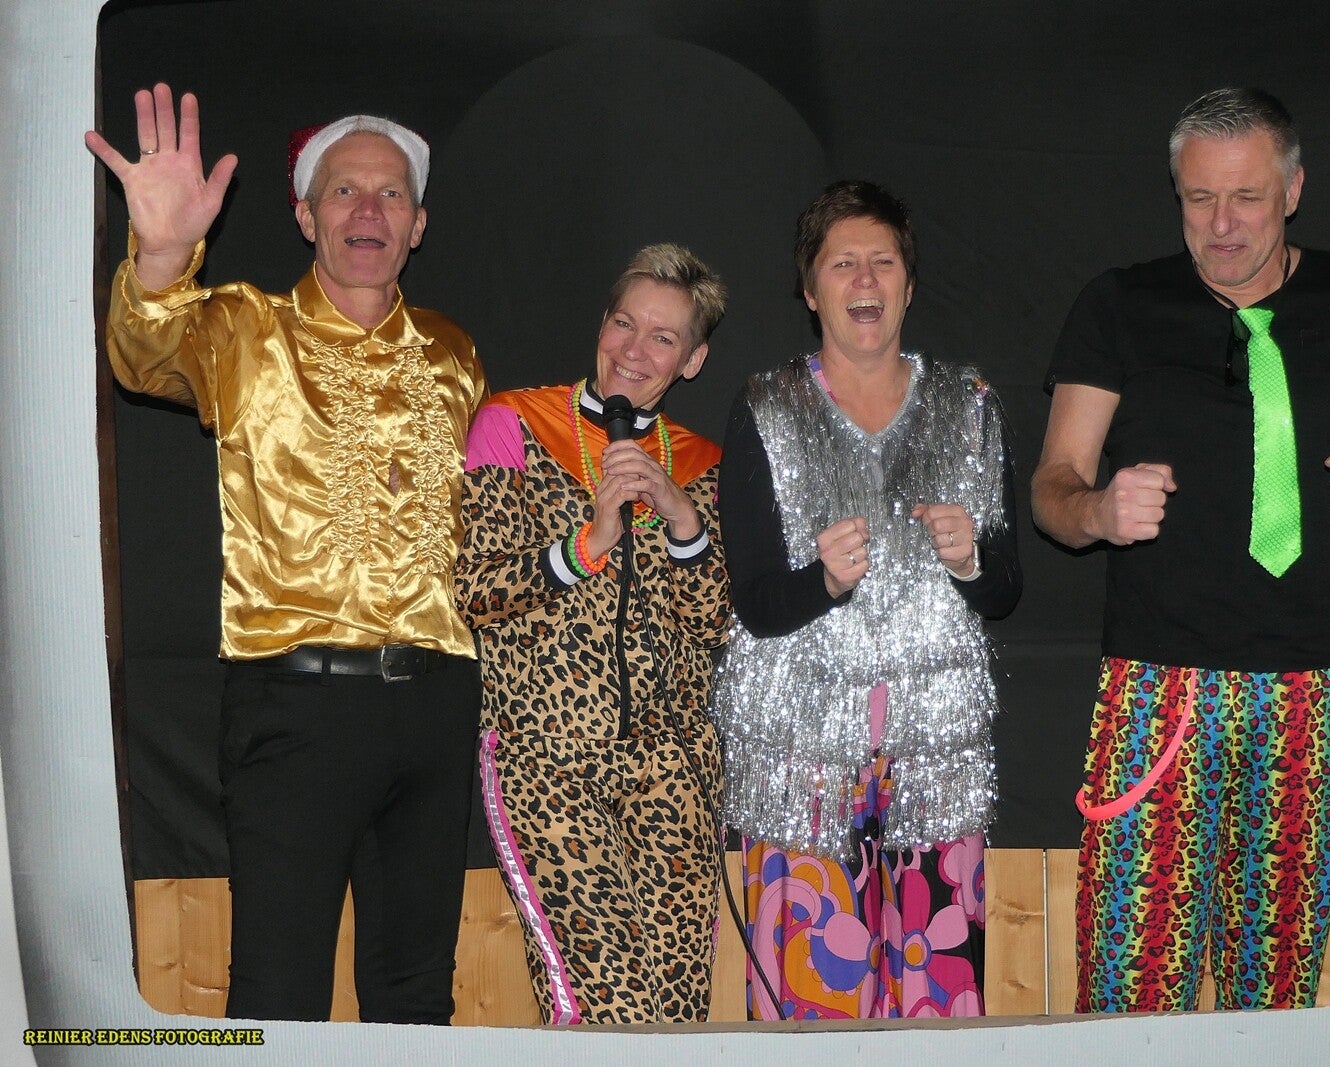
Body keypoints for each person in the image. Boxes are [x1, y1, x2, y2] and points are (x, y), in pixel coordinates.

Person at [1033, 88, 1330, 1013]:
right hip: (1158, 684)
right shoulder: (1121, 303)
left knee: (1273, 996)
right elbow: (1053, 488)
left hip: (1309, 690)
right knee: (1128, 992)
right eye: (1200, 198)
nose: (1223, 224)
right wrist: (1098, 511)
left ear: (1294, 190)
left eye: (1247, 197)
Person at [86, 85, 486, 1023]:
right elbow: (143, 352)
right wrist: (161, 256)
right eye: (344, 190)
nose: (367, 210)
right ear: (306, 215)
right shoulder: (244, 328)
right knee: (277, 990)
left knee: (417, 995)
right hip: (298, 704)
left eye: (390, 194)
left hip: (436, 699)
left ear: (417, 224)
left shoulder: (453, 352)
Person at [713, 180, 1022, 1020]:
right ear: (810, 288)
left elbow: (1005, 590)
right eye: (841, 263)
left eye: (882, 262)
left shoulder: (970, 403)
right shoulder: (765, 406)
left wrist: (970, 560)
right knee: (813, 1001)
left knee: (936, 1001)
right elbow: (756, 603)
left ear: (908, 285)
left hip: (935, 758)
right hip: (803, 763)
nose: (864, 279)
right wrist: (821, 581)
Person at [453, 244, 730, 1025]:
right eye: (623, 323)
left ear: (692, 359)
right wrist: (585, 545)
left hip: (676, 770)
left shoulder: (702, 463)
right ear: (602, 323)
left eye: (663, 337)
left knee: (676, 1013)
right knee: (607, 1006)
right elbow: (474, 588)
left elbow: (715, 620)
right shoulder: (513, 421)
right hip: (548, 758)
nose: (634, 350)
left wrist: (682, 519)